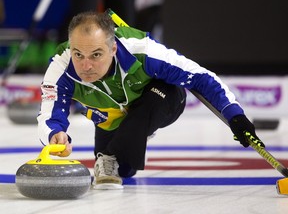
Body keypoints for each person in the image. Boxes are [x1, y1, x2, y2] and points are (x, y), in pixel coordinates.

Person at [37, 10, 263, 190]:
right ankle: (123, 143)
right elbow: (49, 113)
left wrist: (235, 115)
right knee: (124, 169)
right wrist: (54, 134)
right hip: (110, 116)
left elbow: (201, 77)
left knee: (116, 152)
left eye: (96, 55)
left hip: (161, 98)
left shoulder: (144, 50)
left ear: (113, 48)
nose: (86, 66)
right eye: (78, 54)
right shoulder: (60, 66)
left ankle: (119, 147)